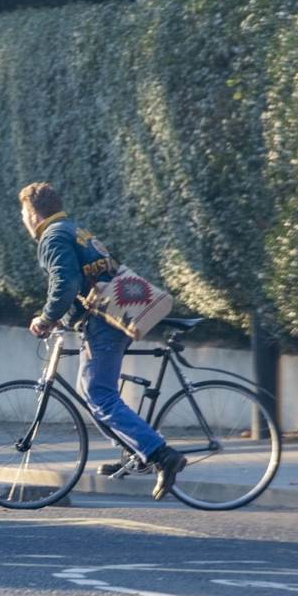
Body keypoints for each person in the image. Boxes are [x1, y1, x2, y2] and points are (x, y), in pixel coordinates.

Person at [18, 181, 186, 501]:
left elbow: (65, 283)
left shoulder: (52, 237)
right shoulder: (75, 230)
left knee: (100, 394)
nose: (23, 220)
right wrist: (69, 320)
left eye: (24, 214)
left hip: (104, 322)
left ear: (33, 213)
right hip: (113, 316)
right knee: (91, 392)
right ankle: (134, 453)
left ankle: (161, 455)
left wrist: (47, 318)